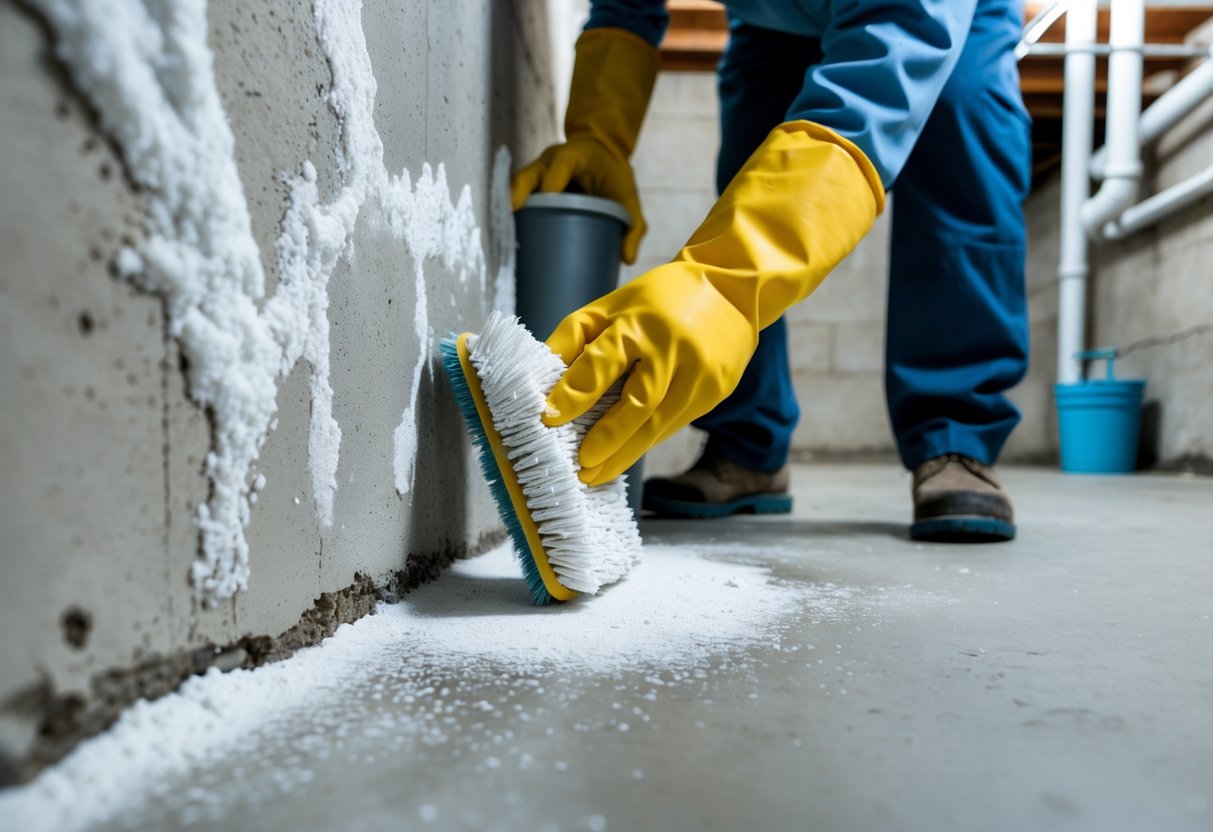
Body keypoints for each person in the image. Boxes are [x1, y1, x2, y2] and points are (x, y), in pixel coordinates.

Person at [511, 0, 1030, 542]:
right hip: (771, 21)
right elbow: (625, 6)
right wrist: (599, 134)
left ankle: (955, 438)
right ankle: (747, 446)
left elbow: (889, 58)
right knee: (751, 171)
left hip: (939, 14)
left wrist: (725, 285)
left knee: (963, 140)